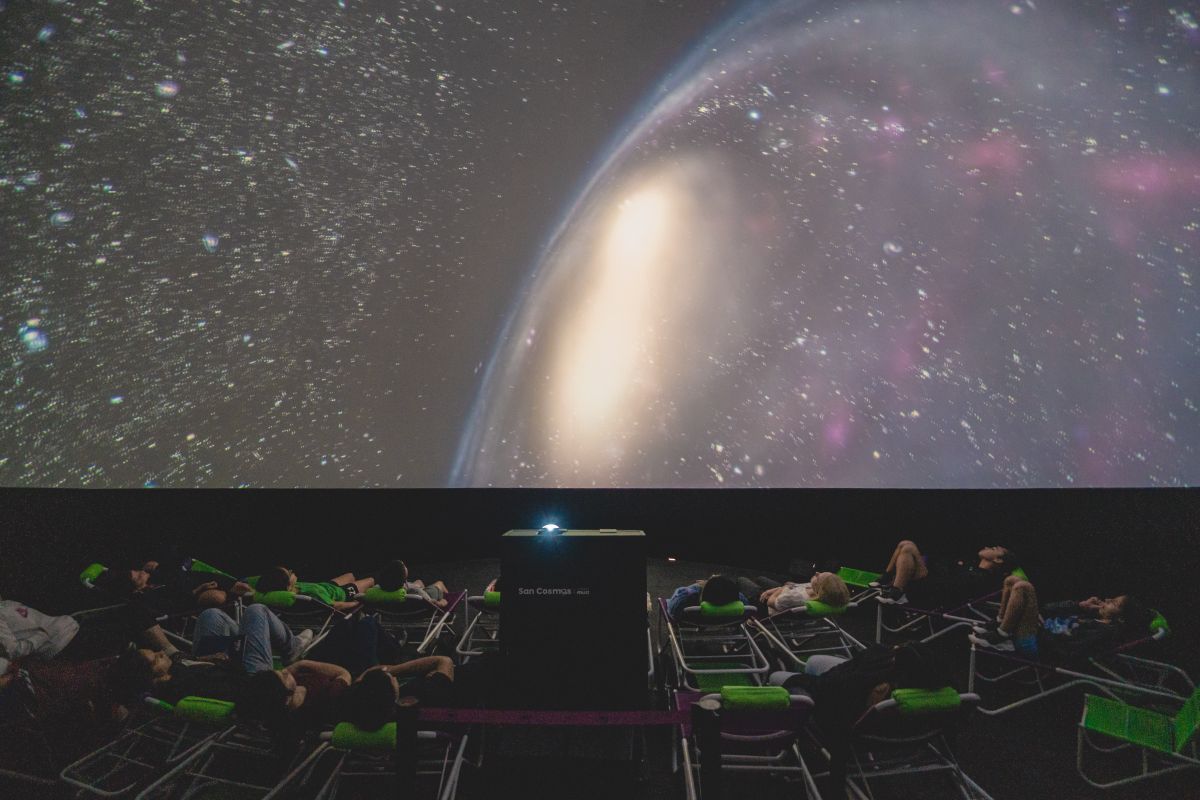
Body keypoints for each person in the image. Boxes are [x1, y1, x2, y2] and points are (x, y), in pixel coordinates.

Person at [769, 641, 949, 795]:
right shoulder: (939, 692)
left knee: (776, 677)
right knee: (814, 662)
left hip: (839, 710)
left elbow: (832, 703)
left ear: (895, 662)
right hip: (899, 731)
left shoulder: (866, 686)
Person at [107, 604, 312, 705]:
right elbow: (237, 688)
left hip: (210, 664)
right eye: (156, 658)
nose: (160, 653)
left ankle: (251, 634)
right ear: (154, 677)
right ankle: (291, 647)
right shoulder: (185, 685)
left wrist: (198, 660)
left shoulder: (172, 676)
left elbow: (194, 669)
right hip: (251, 677)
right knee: (256, 611)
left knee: (211, 615)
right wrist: (225, 661)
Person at [968, 576, 1151, 658]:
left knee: (1024, 587)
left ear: (1121, 619)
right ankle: (1001, 626)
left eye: (1114, 603)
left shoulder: (1102, 632)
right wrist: (1079, 605)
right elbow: (1047, 609)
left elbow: (1067, 650)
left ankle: (1001, 636)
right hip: (1037, 632)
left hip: (1036, 644)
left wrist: (1041, 629)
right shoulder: (1089, 615)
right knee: (1012, 581)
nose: (1108, 600)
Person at [1, 596, 177, 673]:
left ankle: (173, 655)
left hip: (73, 627)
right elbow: (13, 651)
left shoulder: (7, 603)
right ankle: (176, 662)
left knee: (135, 611)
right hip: (65, 645)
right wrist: (42, 635)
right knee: (129, 631)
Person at [873, 542, 1018, 607]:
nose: (987, 547)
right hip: (929, 582)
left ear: (998, 560)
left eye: (993, 548)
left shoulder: (984, 578)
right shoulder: (971, 566)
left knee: (908, 548)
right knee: (906, 544)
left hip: (929, 593)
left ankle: (896, 592)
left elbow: (951, 588)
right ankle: (887, 581)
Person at [339, 656, 457, 731]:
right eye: (392, 678)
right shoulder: (429, 697)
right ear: (394, 693)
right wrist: (393, 670)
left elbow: (366, 676)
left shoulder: (349, 708)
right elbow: (443, 661)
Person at [254, 567, 373, 611]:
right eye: (289, 573)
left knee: (351, 575)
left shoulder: (293, 588)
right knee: (371, 580)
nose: (291, 571)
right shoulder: (309, 594)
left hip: (326, 586)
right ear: (287, 584)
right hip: (341, 593)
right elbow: (334, 605)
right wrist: (356, 604)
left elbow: (252, 580)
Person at [739, 572, 851, 614]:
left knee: (742, 580)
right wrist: (780, 588)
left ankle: (752, 615)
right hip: (785, 593)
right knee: (761, 578)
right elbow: (791, 586)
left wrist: (772, 591)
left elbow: (770, 602)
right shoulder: (814, 590)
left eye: (819, 577)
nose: (817, 573)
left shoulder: (797, 598)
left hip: (767, 605)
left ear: (820, 587)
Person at [374, 560, 450, 609]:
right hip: (422, 603)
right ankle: (450, 598)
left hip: (399, 610)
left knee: (419, 582)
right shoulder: (417, 594)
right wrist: (442, 602)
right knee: (440, 583)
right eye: (403, 566)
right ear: (404, 582)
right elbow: (433, 604)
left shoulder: (379, 589)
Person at [666, 574, 747, 620]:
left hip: (691, 620)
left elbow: (673, 611)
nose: (713, 575)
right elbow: (739, 596)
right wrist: (708, 584)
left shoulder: (687, 596)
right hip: (725, 621)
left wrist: (697, 586)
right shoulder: (740, 600)